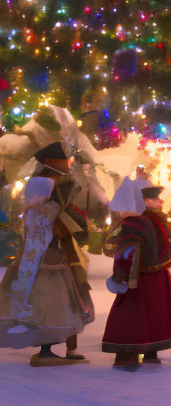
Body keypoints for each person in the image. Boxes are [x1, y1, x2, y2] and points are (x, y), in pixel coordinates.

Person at [0, 142, 94, 366]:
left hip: (49, 256)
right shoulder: (47, 197)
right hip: (52, 258)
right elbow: (54, 228)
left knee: (61, 298)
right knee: (52, 301)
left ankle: (65, 348)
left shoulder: (41, 201)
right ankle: (47, 349)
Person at [101, 180, 171, 371]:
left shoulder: (133, 224)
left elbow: (127, 254)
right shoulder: (152, 221)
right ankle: (151, 351)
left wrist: (120, 278)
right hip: (158, 277)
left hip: (139, 279)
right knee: (154, 314)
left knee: (132, 315)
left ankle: (128, 354)